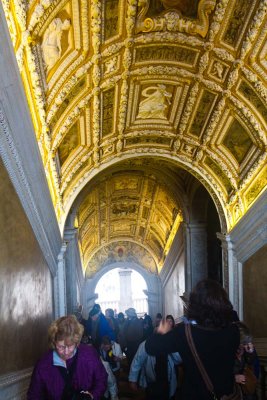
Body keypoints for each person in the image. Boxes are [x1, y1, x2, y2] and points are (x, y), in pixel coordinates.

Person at [145, 279, 240, 400]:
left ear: (194, 304)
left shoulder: (184, 333)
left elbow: (150, 347)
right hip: (228, 394)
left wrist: (160, 332)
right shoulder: (234, 331)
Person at [27, 315, 107, 400]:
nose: (66, 352)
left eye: (70, 346)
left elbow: (101, 379)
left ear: (77, 342)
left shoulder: (89, 354)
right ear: (54, 342)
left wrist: (92, 396)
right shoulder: (43, 364)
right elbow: (34, 395)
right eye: (61, 346)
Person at [234, 321, 259, 399]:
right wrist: (233, 378)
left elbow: (251, 363)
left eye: (246, 342)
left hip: (246, 389)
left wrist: (250, 353)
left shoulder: (245, 348)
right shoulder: (226, 351)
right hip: (234, 391)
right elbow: (218, 375)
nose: (244, 345)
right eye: (243, 342)